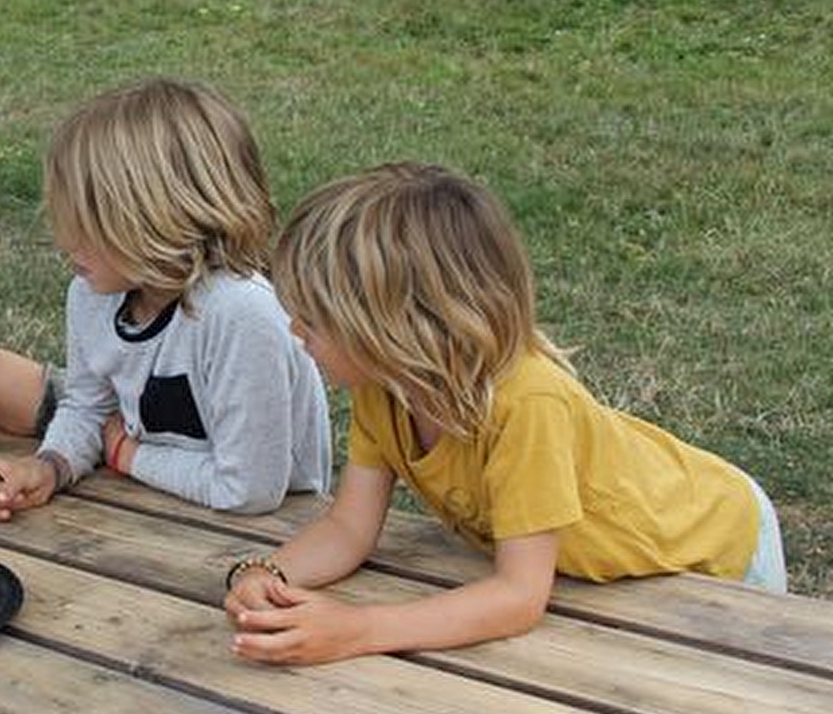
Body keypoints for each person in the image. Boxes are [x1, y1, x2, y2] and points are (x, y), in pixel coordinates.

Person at [225, 162, 787, 666]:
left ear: (400, 327)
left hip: (717, 544)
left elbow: (518, 596)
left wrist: (356, 630)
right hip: (608, 573)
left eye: (313, 321)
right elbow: (348, 529)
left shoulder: (527, 403)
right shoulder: (384, 388)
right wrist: (268, 575)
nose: (295, 332)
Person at [0, 78, 332, 518]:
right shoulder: (91, 293)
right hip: (157, 483)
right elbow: (88, 407)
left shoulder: (240, 312)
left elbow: (248, 491)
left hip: (260, 523)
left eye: (87, 222)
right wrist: (50, 466)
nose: (63, 239)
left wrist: (126, 454)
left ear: (161, 218)